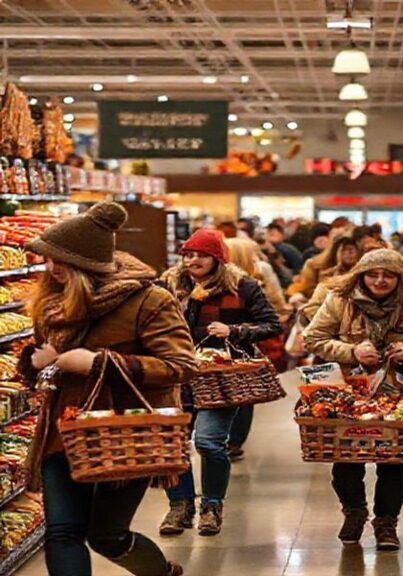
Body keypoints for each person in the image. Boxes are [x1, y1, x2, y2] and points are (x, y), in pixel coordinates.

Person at [21, 202, 197, 576]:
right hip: (63, 430)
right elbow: (47, 358)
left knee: (107, 535)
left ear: (88, 263)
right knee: (62, 531)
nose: (51, 268)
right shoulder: (51, 299)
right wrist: (34, 361)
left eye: (60, 261)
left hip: (124, 431)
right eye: (47, 259)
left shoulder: (149, 300)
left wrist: (97, 363)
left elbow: (181, 366)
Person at [303, 249, 403, 551]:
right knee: (345, 461)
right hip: (346, 396)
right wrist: (351, 351)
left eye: (388, 275)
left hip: (399, 398)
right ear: (360, 276)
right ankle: (354, 511)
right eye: (373, 274)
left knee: (394, 463)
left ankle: (386, 524)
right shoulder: (339, 301)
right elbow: (312, 338)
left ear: (401, 278)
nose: (380, 280)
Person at [159, 229, 281, 537]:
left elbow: (271, 324)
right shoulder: (169, 287)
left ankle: (211, 506)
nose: (193, 260)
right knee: (172, 444)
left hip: (221, 379)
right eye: (188, 254)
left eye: (201, 255)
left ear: (217, 259)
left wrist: (235, 330)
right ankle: (180, 505)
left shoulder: (242, 287)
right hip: (177, 377)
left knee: (208, 442)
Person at [224, 237, 291, 461]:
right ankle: (234, 442)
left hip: (232, 348)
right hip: (252, 349)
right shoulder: (258, 277)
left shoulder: (239, 285)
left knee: (230, 395)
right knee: (245, 396)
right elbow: (279, 308)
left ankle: (227, 440)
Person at [302, 235, 363, 322]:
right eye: (344, 250)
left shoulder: (365, 274)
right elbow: (309, 299)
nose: (349, 254)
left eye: (351, 250)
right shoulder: (315, 266)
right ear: (336, 252)